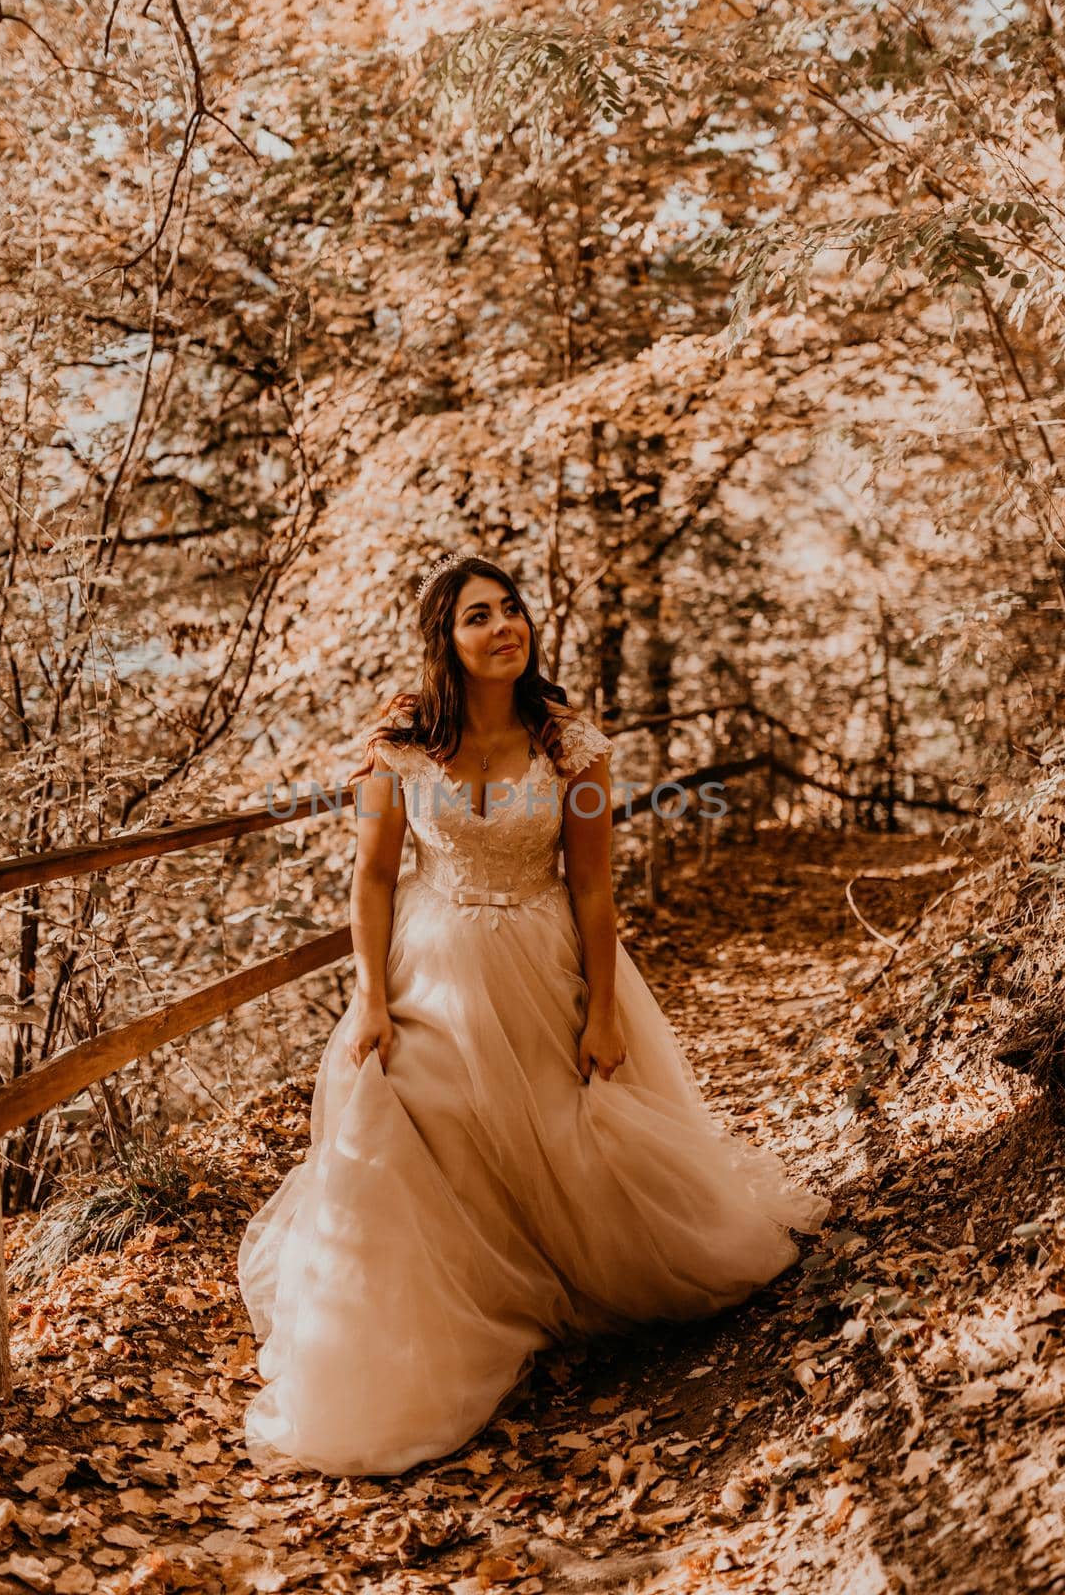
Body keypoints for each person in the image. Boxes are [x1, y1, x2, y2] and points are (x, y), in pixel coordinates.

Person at [237, 551, 831, 1477]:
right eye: (477, 616)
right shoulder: (398, 747)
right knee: (410, 1119)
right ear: (446, 637)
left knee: (559, 1133)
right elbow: (372, 877)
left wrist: (602, 1010)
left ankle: (569, 1279)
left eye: (510, 610)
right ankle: (420, 1330)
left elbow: (592, 890)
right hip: (428, 969)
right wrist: (367, 998)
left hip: (543, 958)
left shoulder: (572, 745)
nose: (502, 627)